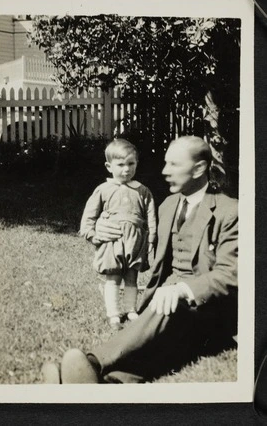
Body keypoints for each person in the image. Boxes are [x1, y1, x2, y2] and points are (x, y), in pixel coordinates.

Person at [42, 135, 238, 384]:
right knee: (165, 337)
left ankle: (93, 361)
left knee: (169, 310)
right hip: (166, 309)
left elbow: (231, 274)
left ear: (199, 168)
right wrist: (99, 231)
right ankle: (107, 382)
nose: (164, 171)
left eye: (174, 165)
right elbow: (128, 228)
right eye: (165, 164)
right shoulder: (167, 206)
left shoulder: (229, 211)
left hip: (207, 310)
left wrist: (182, 289)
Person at [80, 138, 156, 329]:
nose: (126, 169)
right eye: (121, 165)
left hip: (135, 241)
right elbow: (89, 214)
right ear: (109, 166)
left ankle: (131, 310)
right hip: (112, 241)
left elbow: (151, 216)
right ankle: (113, 313)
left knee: (132, 277)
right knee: (113, 277)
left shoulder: (142, 191)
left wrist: (152, 238)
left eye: (131, 164)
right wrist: (92, 234)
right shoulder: (104, 189)